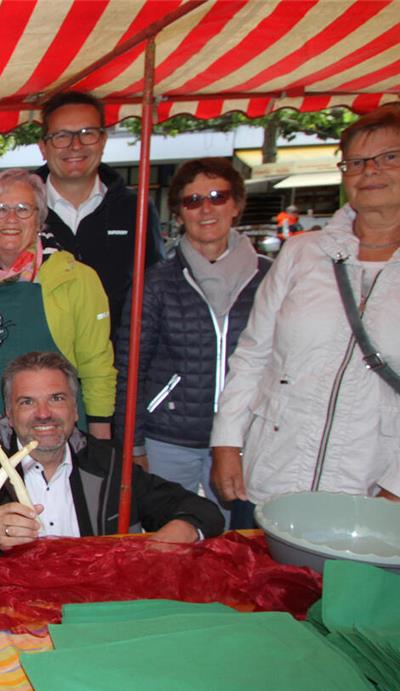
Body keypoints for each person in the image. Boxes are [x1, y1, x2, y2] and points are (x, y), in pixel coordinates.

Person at [211, 103, 400, 516]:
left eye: (389, 157)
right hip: (275, 476)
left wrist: (399, 494)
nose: (370, 171)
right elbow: (254, 355)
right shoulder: (303, 253)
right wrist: (227, 439)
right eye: (355, 162)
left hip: (383, 485)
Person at [0, 352, 224, 554]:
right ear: (9, 413)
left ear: (75, 408)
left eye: (56, 399)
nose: (44, 414)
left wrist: (184, 530)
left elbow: (203, 511)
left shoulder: (108, 464)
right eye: (27, 402)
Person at [114, 158, 272, 528]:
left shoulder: (271, 278)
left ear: (236, 204)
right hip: (170, 436)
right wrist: (132, 445)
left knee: (240, 538)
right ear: (179, 212)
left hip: (247, 436)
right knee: (165, 532)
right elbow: (131, 366)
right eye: (192, 200)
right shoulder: (157, 282)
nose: (205, 209)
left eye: (217, 197)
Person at [0, 169, 115, 447]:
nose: (11, 218)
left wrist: (100, 444)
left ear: (39, 220)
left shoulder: (74, 279)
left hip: (51, 439)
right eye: (0, 209)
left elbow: (96, 367)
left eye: (24, 209)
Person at [34, 92, 163, 334]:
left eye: (87, 133)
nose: (75, 145)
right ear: (43, 147)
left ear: (103, 140)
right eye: (61, 136)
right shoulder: (19, 210)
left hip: (116, 363)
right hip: (37, 364)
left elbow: (154, 292)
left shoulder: (137, 210)